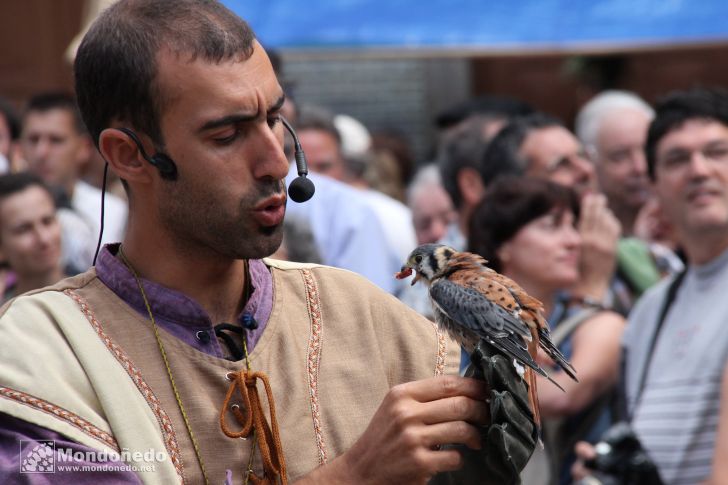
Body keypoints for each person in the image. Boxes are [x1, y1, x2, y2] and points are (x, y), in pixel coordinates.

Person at [0, 1, 535, 483]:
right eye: (227, 135)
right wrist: (353, 475)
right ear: (128, 155)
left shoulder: (365, 314)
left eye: (274, 119)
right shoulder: (40, 353)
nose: (276, 161)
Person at [572, 87, 728, 485]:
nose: (699, 170)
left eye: (717, 152)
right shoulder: (650, 309)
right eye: (677, 159)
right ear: (654, 186)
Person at [468, 177, 625, 485]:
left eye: (572, 226)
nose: (574, 241)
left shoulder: (599, 325)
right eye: (552, 226)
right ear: (502, 244)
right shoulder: (455, 328)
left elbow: (564, 396)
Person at [482, 114, 624, 314]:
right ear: (514, 192)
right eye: (561, 164)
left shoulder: (631, 254)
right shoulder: (474, 295)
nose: (586, 170)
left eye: (583, 156)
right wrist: (592, 287)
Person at [21, 92, 127, 271]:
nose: (41, 152)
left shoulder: (112, 212)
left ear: (83, 148)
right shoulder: (5, 205)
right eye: (33, 139)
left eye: (55, 140)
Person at [0, 172, 65, 302]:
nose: (44, 238)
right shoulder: (5, 320)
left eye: (47, 221)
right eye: (24, 229)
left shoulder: (99, 296)